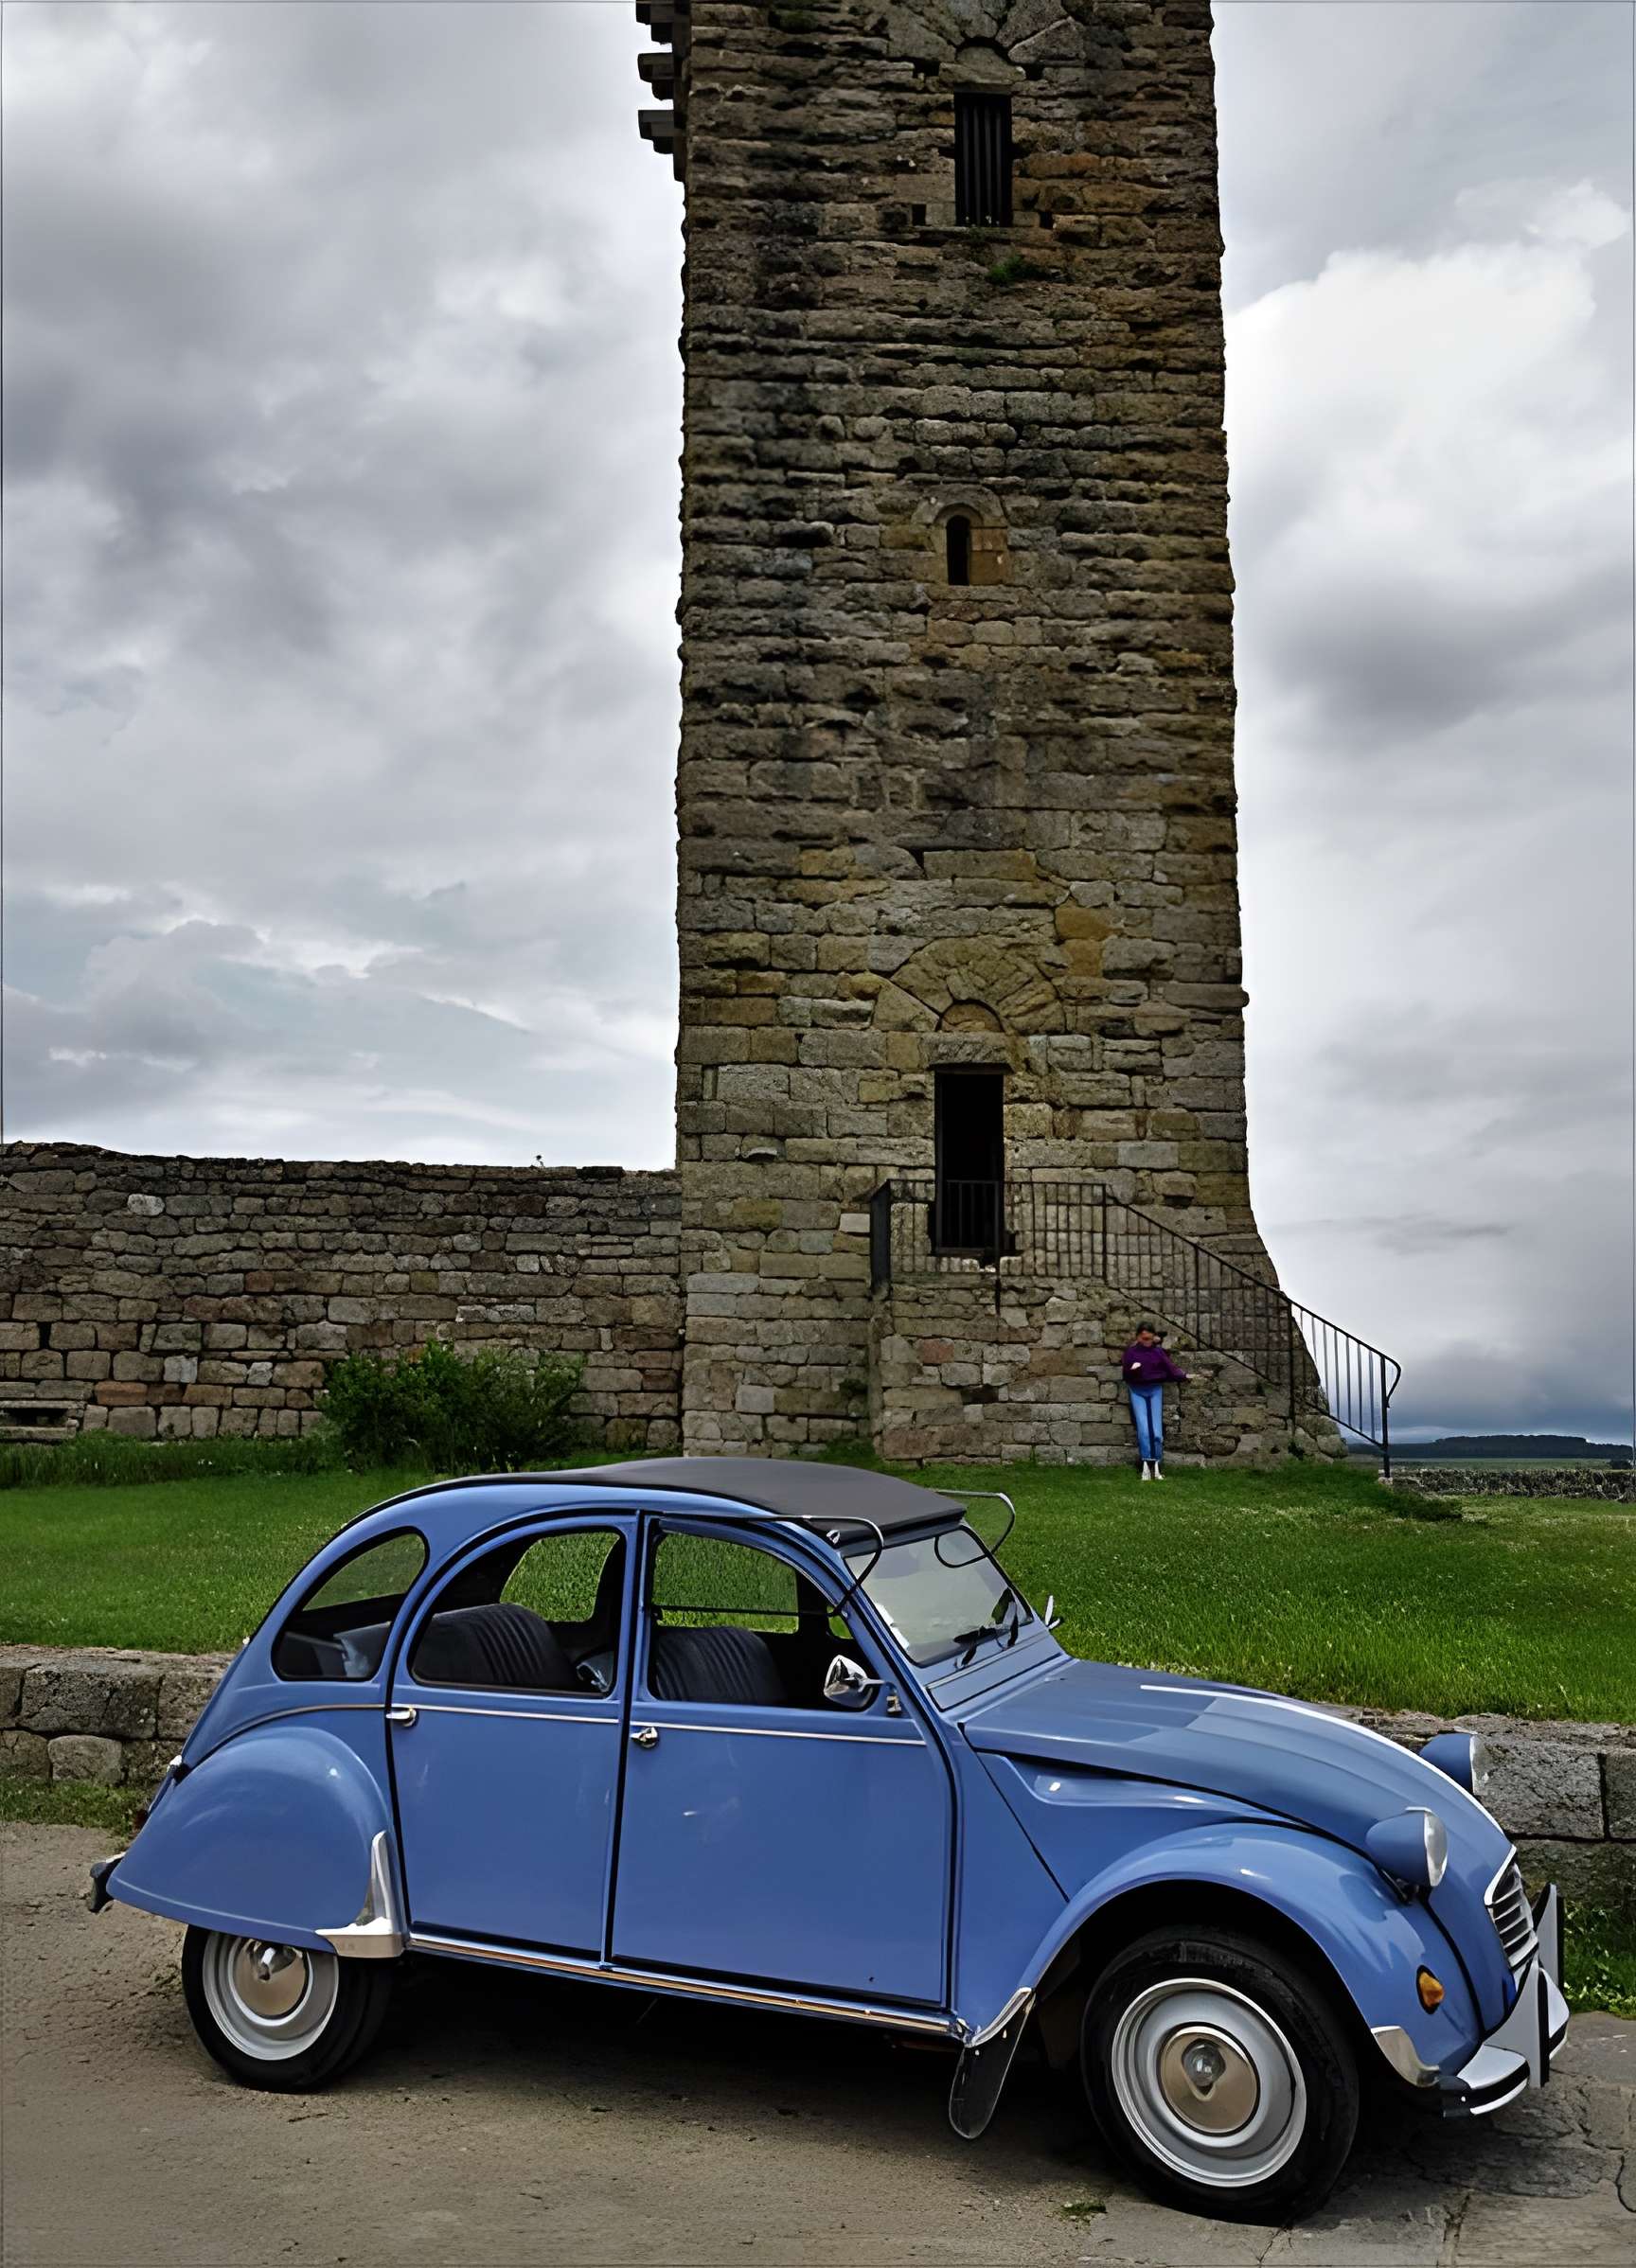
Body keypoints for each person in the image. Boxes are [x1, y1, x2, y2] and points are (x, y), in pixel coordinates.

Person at [1122, 1322, 1189, 1480]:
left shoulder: (1158, 1352)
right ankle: (1146, 1463)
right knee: (1144, 1429)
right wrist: (1133, 1370)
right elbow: (1125, 1375)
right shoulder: (1131, 1353)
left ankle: (1157, 1463)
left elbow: (1170, 1369)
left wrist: (1185, 1376)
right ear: (1138, 1337)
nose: (1147, 1342)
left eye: (1150, 1339)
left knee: (1157, 1432)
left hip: (1155, 1389)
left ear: (1154, 1338)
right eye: (1144, 1338)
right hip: (1137, 1389)